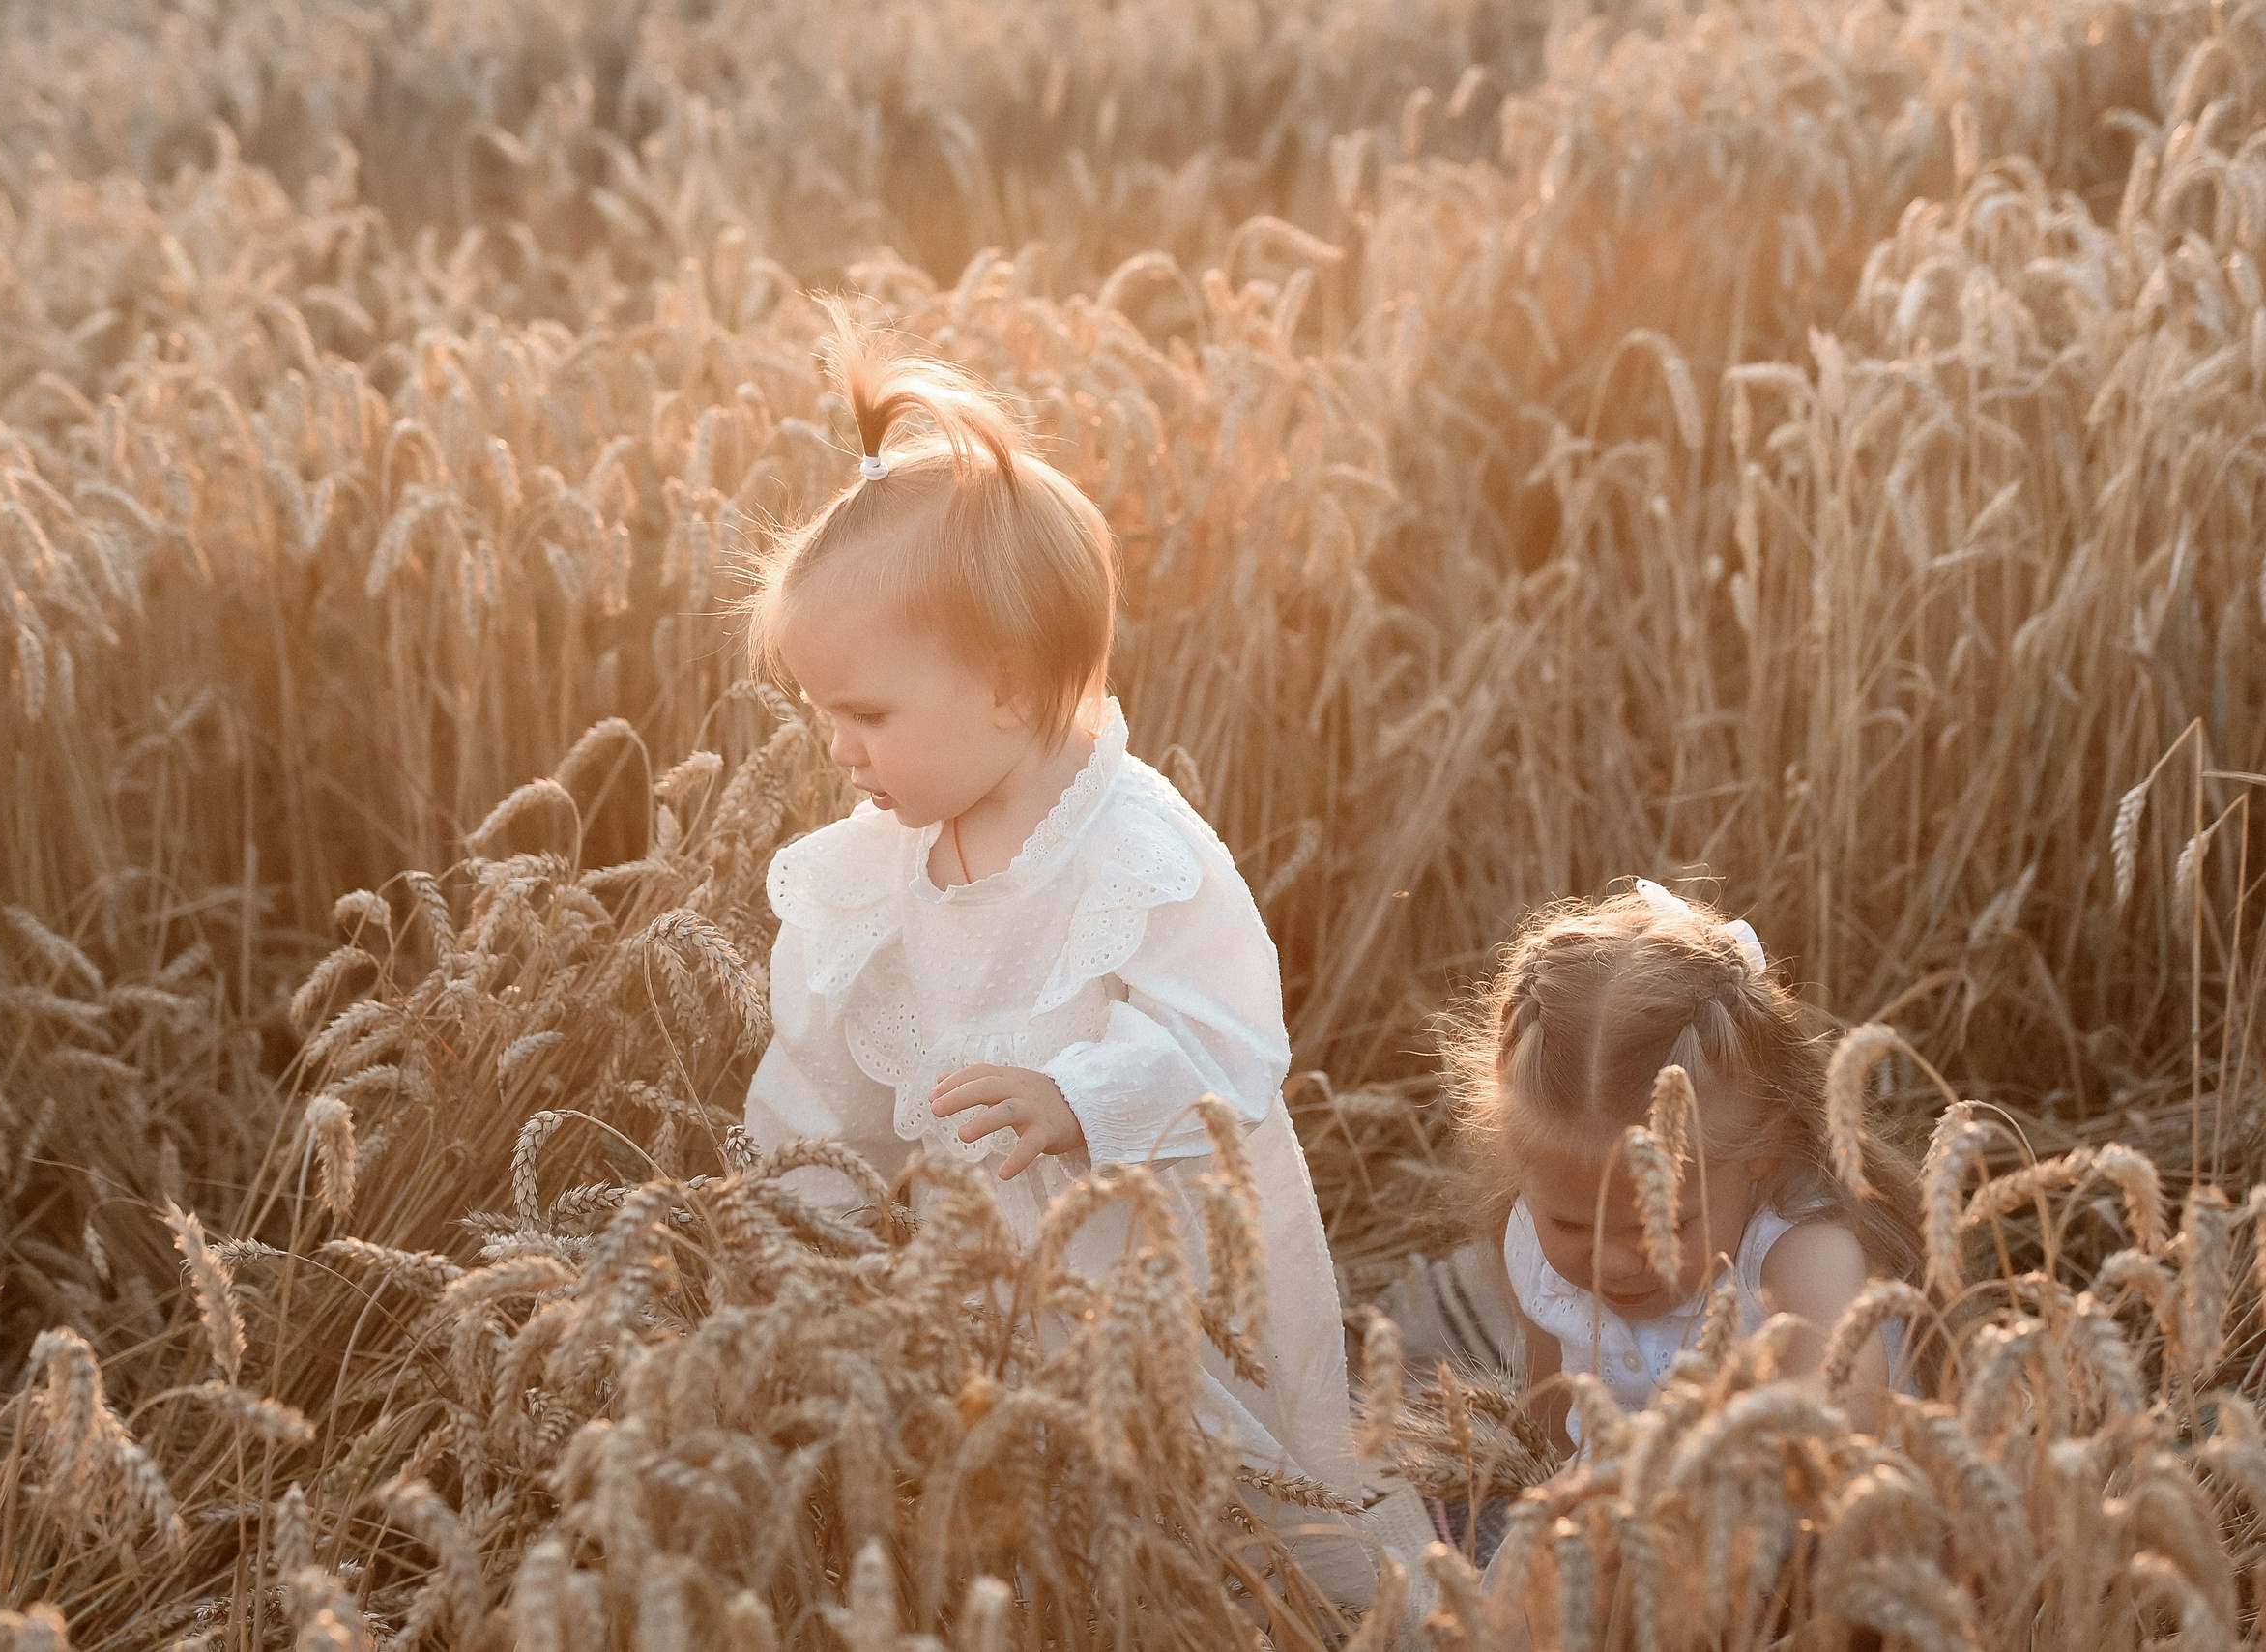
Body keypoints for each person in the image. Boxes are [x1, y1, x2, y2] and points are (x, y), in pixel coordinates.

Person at [739, 304, 1380, 1604]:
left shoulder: (1132, 846)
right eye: (822, 716)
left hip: (1154, 1241)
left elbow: (1228, 1035)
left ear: (1010, 683)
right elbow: (827, 1085)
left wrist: (1081, 1098)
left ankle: (1276, 1603)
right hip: (984, 1260)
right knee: (1033, 1495)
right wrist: (796, 1230)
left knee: (1222, 1488)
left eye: (866, 714)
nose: (841, 752)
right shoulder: (876, 863)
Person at [1455, 880, 1925, 1455]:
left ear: (1762, 1150)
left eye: (1662, 1227)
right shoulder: (1533, 1244)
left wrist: (1682, 1449)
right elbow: (1552, 1419)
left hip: (1832, 1514)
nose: (1611, 1263)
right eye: (1572, 1225)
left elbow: (1847, 1402)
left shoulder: (1800, 1250)